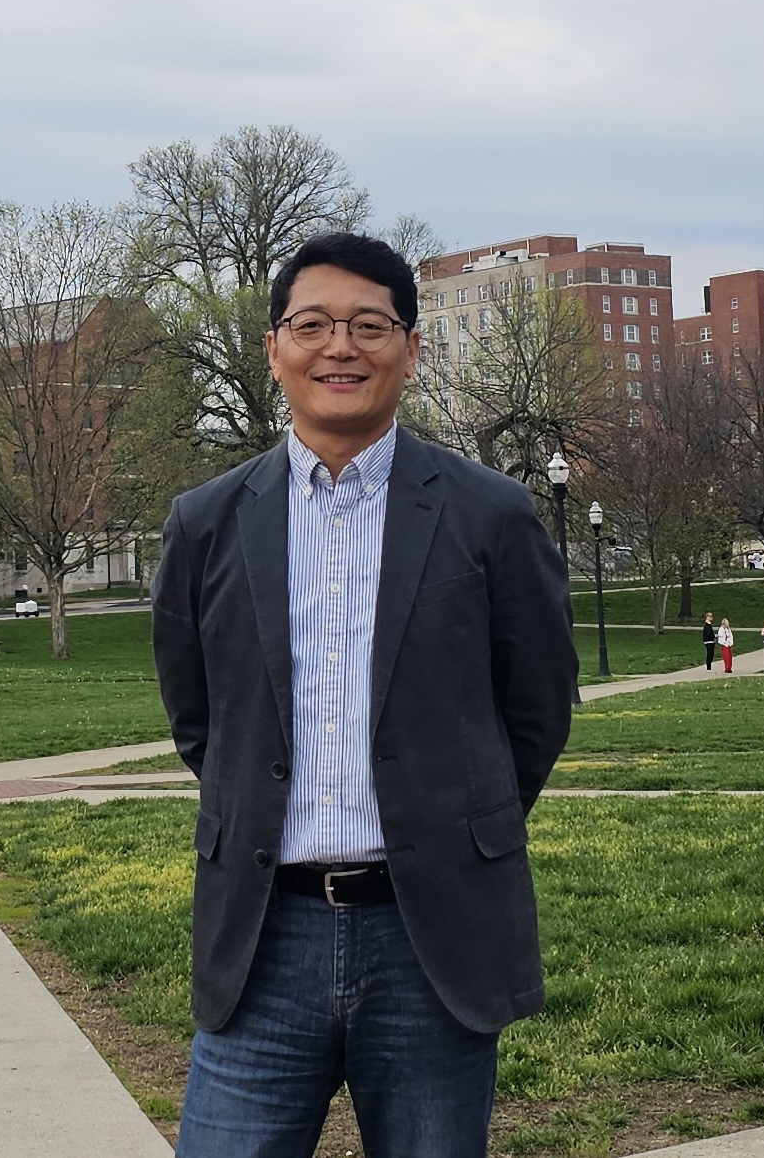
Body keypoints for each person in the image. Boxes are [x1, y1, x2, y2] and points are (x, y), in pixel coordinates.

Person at [153, 232, 576, 1157]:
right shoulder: (206, 523)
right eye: (312, 324)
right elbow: (198, 720)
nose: (339, 347)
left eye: (369, 325)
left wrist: (451, 830)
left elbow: (536, 712)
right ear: (275, 348)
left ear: (410, 348)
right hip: (264, 938)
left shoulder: (491, 516)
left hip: (431, 939)